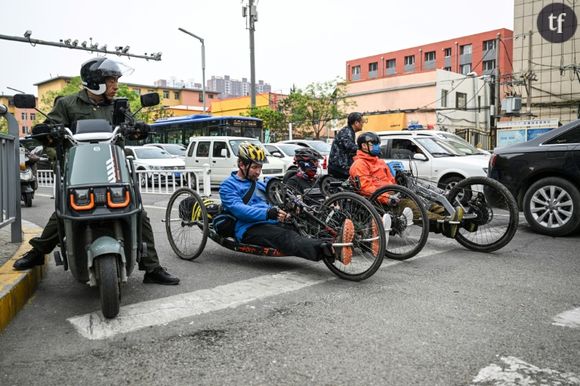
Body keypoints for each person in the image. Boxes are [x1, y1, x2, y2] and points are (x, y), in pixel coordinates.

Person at [13, 57, 179, 285]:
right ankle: (38, 253)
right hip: (80, 170)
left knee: (138, 211)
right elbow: (48, 129)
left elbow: (131, 128)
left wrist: (140, 128)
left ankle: (152, 268)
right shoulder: (68, 104)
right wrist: (46, 131)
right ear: (95, 82)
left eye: (116, 80)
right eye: (111, 80)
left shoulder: (118, 107)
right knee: (65, 211)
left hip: (113, 168)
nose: (115, 85)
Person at [219, 142, 355, 264]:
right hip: (248, 227)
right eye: (254, 167)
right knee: (286, 237)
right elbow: (239, 210)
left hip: (271, 221)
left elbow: (275, 199)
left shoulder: (260, 183)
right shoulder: (228, 186)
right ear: (242, 165)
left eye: (260, 167)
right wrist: (268, 213)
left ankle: (344, 240)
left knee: (302, 228)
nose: (258, 172)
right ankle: (330, 250)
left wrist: (286, 209)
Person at [349, 132, 465, 238]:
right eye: (374, 144)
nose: (378, 146)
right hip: (381, 201)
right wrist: (388, 198)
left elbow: (391, 181)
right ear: (364, 146)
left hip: (394, 193)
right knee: (413, 207)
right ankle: (445, 222)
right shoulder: (359, 165)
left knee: (424, 200)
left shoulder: (379, 161)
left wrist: (401, 189)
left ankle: (459, 219)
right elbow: (366, 189)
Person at [328, 112, 365, 179]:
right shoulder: (346, 132)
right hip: (340, 167)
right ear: (356, 123)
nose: (363, 124)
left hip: (343, 165)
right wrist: (364, 148)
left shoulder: (350, 131)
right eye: (362, 122)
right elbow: (350, 146)